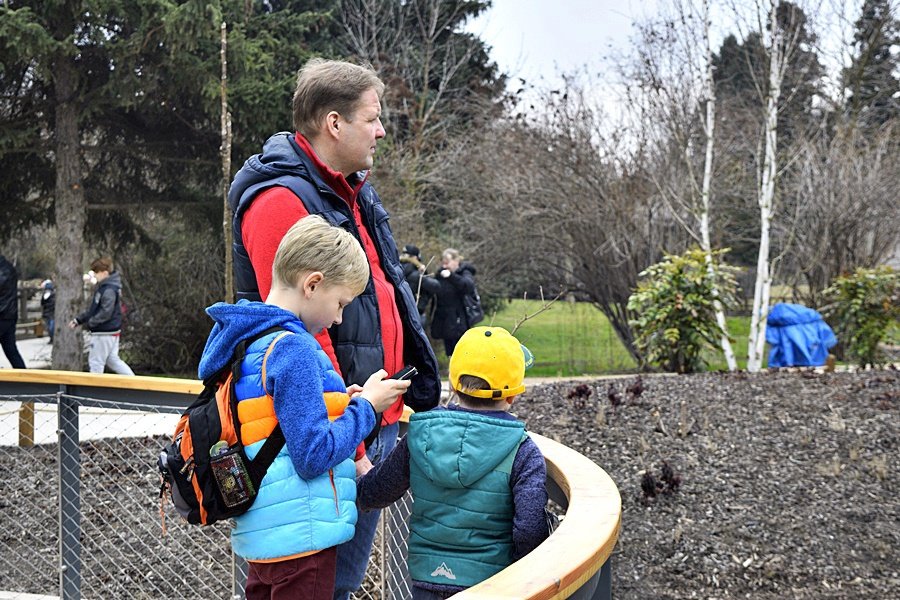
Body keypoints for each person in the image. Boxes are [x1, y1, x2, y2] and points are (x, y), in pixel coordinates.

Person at [227, 58, 440, 599]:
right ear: (334, 123)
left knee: (333, 576)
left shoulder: (349, 191)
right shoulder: (282, 200)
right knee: (324, 579)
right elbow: (301, 321)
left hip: (363, 411)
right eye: (372, 118)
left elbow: (382, 292)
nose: (382, 129)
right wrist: (356, 414)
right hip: (337, 424)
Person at [199, 215, 411, 600]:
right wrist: (367, 407)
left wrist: (338, 402)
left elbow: (271, 419)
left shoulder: (249, 342)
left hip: (266, 536)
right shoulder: (294, 348)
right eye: (340, 303)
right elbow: (312, 455)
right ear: (312, 284)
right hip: (303, 538)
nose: (338, 318)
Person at [356, 326, 551, 599]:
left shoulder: (422, 434)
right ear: (512, 395)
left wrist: (354, 464)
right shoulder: (523, 451)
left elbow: (374, 492)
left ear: (454, 383)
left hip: (427, 579)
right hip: (493, 585)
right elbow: (530, 529)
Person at [68, 257, 134, 375]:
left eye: (96, 272)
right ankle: (133, 381)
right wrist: (79, 320)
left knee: (95, 362)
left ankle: (93, 390)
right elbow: (94, 309)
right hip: (111, 330)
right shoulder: (106, 287)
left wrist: (92, 323)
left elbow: (106, 312)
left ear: (104, 273)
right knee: (112, 360)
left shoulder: (108, 289)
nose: (95, 275)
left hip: (103, 332)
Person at [430, 248, 478, 356]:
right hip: (444, 317)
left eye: (448, 262)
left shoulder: (464, 272)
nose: (445, 266)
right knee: (449, 347)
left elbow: (468, 286)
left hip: (460, 317)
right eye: (444, 263)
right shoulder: (441, 274)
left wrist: (451, 276)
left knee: (460, 347)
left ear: (456, 261)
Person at [400, 244, 438, 323]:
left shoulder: (395, 269)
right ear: (415, 258)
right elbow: (436, 286)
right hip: (414, 313)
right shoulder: (417, 275)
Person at [0, 254, 26, 369]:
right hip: (10, 315)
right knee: (11, 350)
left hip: (2, 314)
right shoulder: (9, 268)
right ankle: (25, 377)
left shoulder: (3, 271)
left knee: (10, 349)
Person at [40, 279, 56, 343]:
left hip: (51, 313)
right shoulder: (45, 296)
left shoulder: (53, 295)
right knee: (49, 327)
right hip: (47, 313)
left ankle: (52, 338)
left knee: (51, 327)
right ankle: (51, 338)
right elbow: (42, 304)